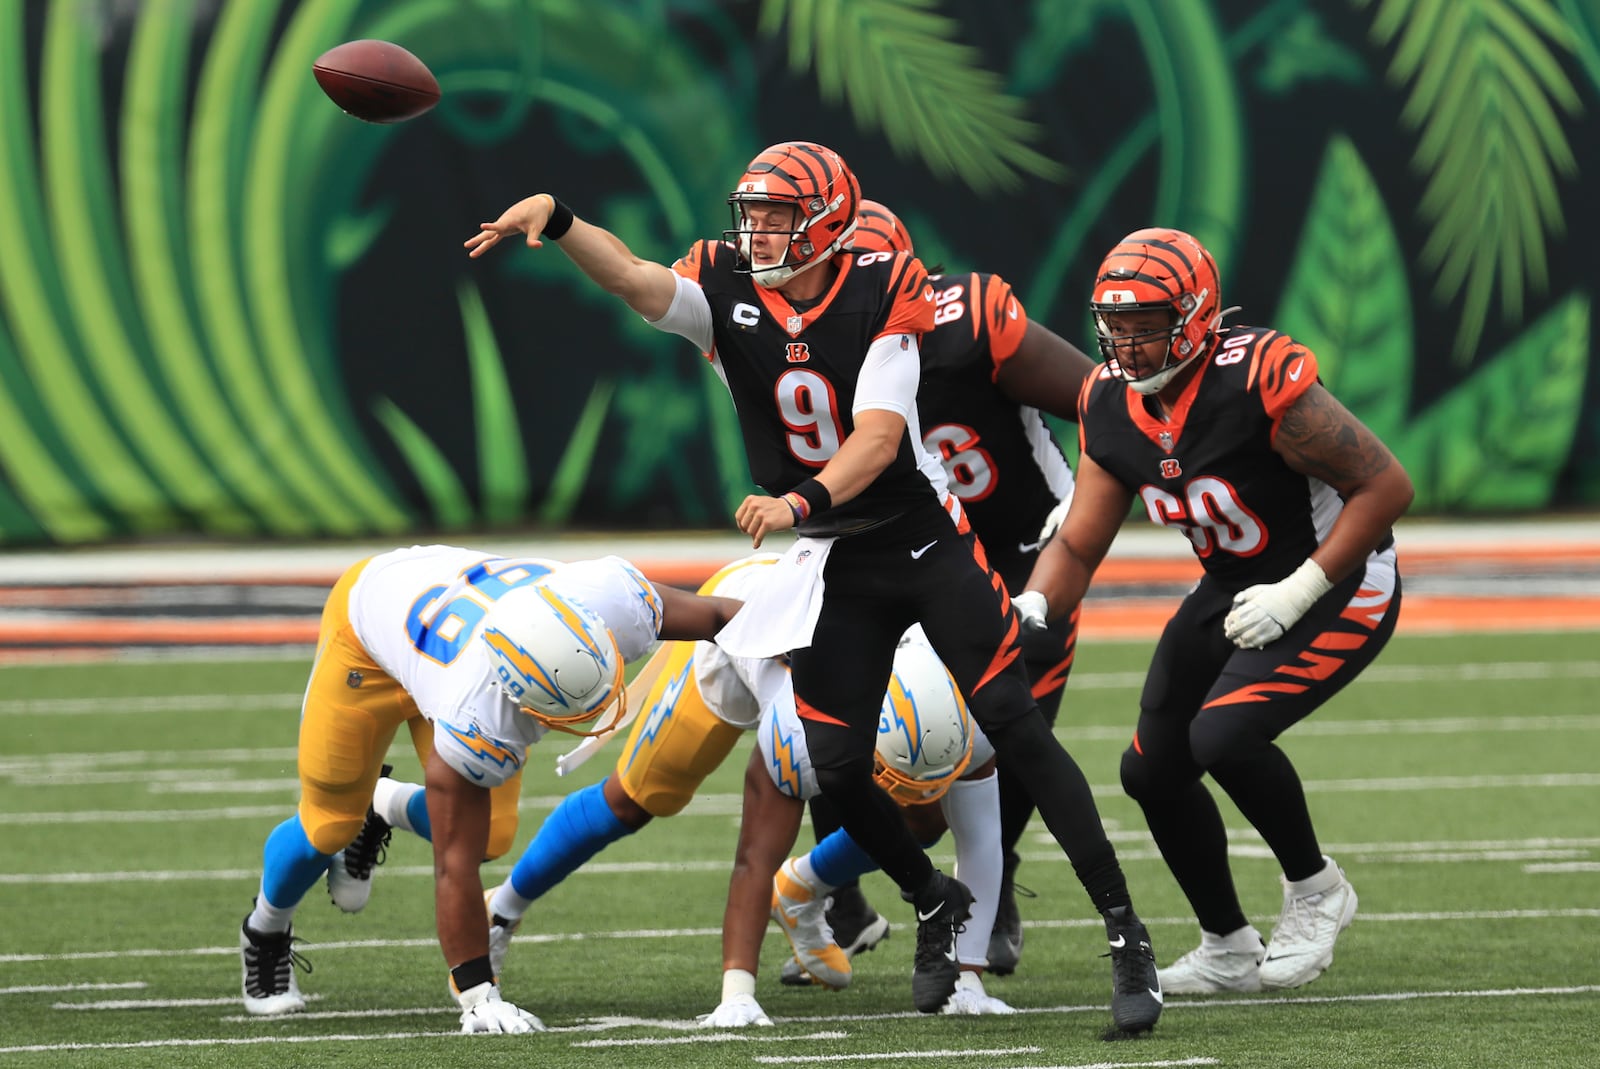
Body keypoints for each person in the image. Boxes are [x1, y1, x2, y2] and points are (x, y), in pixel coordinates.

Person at [464, 141, 1161, 1032]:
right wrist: (560, 221)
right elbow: (639, 282)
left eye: (775, 215)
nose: (753, 231)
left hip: (919, 539)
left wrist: (799, 498)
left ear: (828, 222)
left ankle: (1123, 932)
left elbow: (876, 436)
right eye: (749, 213)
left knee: (1014, 730)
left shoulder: (886, 287)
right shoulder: (728, 284)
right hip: (835, 560)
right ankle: (930, 898)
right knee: (835, 763)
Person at [1014, 227, 1414, 995]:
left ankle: (1316, 887)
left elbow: (1387, 486)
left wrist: (1301, 588)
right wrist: (1034, 604)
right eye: (1116, 326)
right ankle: (1227, 944)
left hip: (1341, 572)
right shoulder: (1110, 401)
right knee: (1151, 769)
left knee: (1223, 734)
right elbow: (1081, 540)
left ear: (1195, 315)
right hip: (1233, 582)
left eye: (1146, 325)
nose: (1127, 345)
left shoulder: (1257, 376)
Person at [235, 545, 739, 1031]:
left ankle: (382, 806)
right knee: (330, 824)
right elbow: (452, 864)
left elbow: (721, 615)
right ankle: (265, 928)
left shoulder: (609, 597)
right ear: (519, 697)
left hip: (445, 610)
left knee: (493, 835)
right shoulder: (479, 714)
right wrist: (479, 996)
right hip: (367, 636)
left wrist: (807, 649)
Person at [785, 200, 1098, 980]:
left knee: (1007, 737)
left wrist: (1084, 508)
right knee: (848, 719)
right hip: (906, 554)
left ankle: (993, 884)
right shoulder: (810, 353)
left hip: (1019, 552)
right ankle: (847, 897)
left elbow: (1105, 403)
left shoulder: (973, 321)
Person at [703, 626, 1014, 1027]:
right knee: (643, 798)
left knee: (925, 819)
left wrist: (968, 982)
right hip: (732, 644)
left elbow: (982, 838)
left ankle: (801, 884)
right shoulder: (796, 731)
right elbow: (754, 861)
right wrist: (737, 995)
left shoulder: (974, 709)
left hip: (863, 636)